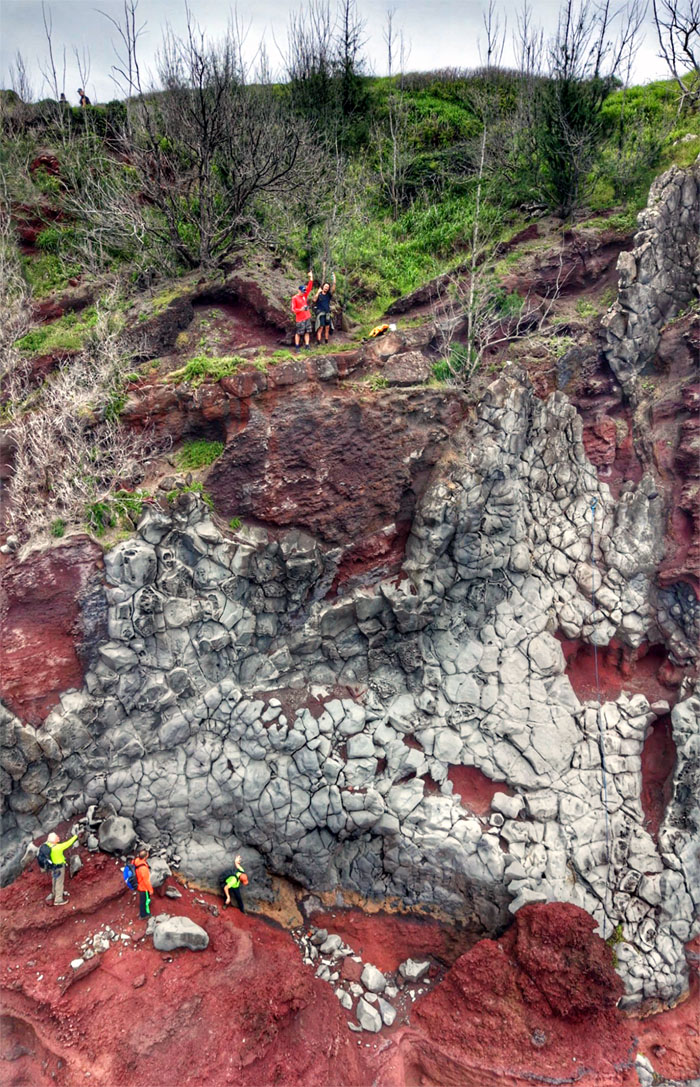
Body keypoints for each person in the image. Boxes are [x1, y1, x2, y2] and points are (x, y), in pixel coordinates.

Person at [44, 830, 79, 906]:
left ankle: (54, 894)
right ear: (53, 840)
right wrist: (76, 836)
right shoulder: (58, 847)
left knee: (55, 880)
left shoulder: (48, 845)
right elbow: (68, 843)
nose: (58, 837)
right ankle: (58, 899)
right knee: (59, 882)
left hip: (53, 866)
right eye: (57, 837)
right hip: (59, 867)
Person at [292, 271, 314, 351]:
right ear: (299, 290)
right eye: (302, 291)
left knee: (307, 331)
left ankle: (307, 346)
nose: (303, 293)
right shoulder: (294, 298)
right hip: (300, 319)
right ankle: (297, 347)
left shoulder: (304, 295)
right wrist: (300, 309)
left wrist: (311, 277)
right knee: (299, 332)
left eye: (304, 291)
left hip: (307, 317)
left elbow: (309, 287)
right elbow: (293, 309)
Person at [314, 273, 336, 345]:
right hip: (321, 313)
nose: (326, 287)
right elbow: (314, 300)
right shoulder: (319, 294)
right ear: (322, 287)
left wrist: (334, 280)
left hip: (327, 313)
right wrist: (318, 292)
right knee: (320, 328)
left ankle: (326, 342)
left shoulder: (328, 295)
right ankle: (318, 343)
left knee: (327, 328)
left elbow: (333, 289)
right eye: (325, 286)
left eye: (327, 287)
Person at [134, 847, 153, 919]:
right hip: (143, 887)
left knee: (143, 900)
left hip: (138, 883)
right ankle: (143, 915)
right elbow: (146, 881)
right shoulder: (144, 869)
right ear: (145, 857)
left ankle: (144, 911)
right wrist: (150, 890)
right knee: (143, 901)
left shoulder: (136, 861)